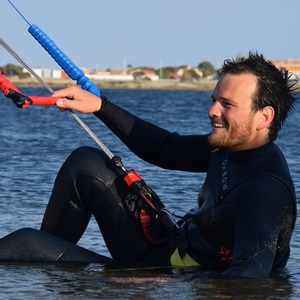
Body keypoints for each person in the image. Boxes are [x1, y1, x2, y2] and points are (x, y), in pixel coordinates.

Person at [0, 52, 297, 279]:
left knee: (23, 244)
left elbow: (248, 282)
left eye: (227, 105)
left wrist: (160, 285)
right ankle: (49, 276)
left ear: (264, 117)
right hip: (169, 248)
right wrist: (100, 106)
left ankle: (42, 258)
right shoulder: (228, 146)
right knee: (85, 164)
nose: (212, 111)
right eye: (214, 100)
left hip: (173, 275)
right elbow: (164, 149)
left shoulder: (263, 192)